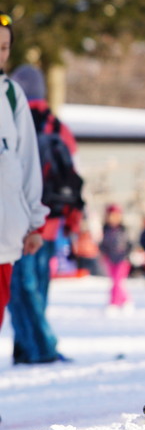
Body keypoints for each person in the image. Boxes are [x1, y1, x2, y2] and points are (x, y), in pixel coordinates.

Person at [8, 62, 76, 364]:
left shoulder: (13, 116)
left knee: (21, 288)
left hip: (21, 220)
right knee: (38, 287)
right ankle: (31, 346)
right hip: (52, 220)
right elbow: (71, 170)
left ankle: (37, 347)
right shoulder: (58, 126)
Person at [1, 14, 50, 342]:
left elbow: (28, 163)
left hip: (6, 235)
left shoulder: (11, 94)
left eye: (3, 47)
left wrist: (33, 222)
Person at [100, 204, 132, 310]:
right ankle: (125, 300)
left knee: (118, 281)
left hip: (122, 259)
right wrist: (104, 254)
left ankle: (115, 302)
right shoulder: (106, 230)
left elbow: (129, 244)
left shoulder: (123, 230)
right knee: (115, 281)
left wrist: (127, 255)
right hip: (110, 259)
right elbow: (103, 245)